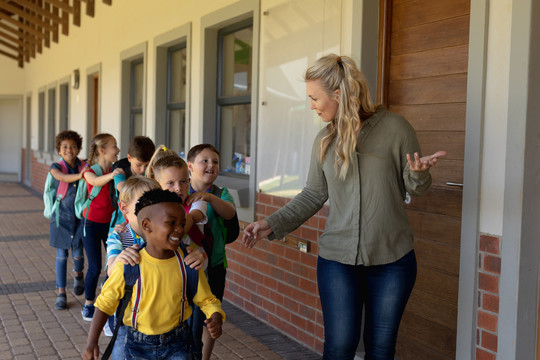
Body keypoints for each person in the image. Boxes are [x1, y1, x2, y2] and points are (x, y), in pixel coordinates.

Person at [242, 54, 446, 360]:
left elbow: (414, 187)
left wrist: (419, 173)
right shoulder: (324, 140)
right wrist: (269, 223)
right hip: (338, 261)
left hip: (393, 260)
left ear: (338, 94)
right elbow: (313, 194)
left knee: (380, 350)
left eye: (314, 98)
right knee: (339, 348)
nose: (311, 105)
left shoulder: (396, 128)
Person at [82, 189, 225, 360]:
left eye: (182, 223)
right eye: (171, 223)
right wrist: (92, 341)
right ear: (147, 225)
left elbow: (207, 299)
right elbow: (105, 303)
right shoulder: (130, 265)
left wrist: (215, 316)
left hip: (177, 344)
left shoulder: (188, 264)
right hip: (135, 346)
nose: (180, 230)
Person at [186, 144, 238, 360]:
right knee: (188, 317)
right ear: (190, 166)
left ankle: (203, 357)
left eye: (215, 162)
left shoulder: (221, 193)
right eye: (204, 161)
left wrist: (207, 198)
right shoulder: (180, 190)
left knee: (211, 316)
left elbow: (229, 213)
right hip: (188, 265)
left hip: (215, 266)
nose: (211, 165)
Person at [80, 133, 124, 322]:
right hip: (90, 224)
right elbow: (94, 181)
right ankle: (89, 304)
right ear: (102, 150)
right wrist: (111, 176)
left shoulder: (116, 169)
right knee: (95, 266)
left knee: (112, 266)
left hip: (110, 224)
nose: (118, 150)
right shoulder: (89, 169)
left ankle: (107, 303)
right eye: (114, 146)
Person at [46, 130, 87, 310]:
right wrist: (81, 176)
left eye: (73, 146)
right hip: (60, 218)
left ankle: (78, 274)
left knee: (78, 253)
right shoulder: (56, 167)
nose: (69, 149)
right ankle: (61, 293)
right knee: (61, 256)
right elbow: (61, 178)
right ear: (59, 150)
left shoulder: (84, 165)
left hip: (79, 218)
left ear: (78, 149)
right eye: (65, 147)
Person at [109, 136, 156, 229]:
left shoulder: (152, 174)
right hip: (121, 226)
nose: (142, 170)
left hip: (144, 226)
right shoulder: (120, 173)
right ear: (129, 158)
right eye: (138, 165)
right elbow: (125, 191)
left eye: (147, 165)